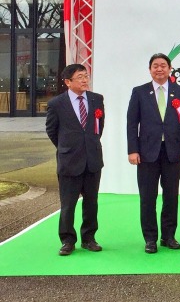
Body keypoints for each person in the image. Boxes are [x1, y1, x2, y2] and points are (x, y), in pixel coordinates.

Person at [126, 53, 180, 254]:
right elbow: (131, 123)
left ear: (170, 69)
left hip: (172, 151)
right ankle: (150, 239)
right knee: (148, 197)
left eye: (163, 65)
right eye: (155, 66)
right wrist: (133, 150)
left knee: (171, 196)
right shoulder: (139, 92)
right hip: (147, 153)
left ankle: (168, 236)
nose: (159, 69)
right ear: (150, 69)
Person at [45, 64, 105, 256]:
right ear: (68, 82)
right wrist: (67, 148)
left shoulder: (97, 99)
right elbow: (52, 130)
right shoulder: (56, 104)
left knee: (91, 202)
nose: (85, 80)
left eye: (86, 76)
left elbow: (99, 127)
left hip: (92, 159)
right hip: (69, 161)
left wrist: (89, 144)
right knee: (68, 204)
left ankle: (89, 238)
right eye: (80, 77)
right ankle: (67, 240)